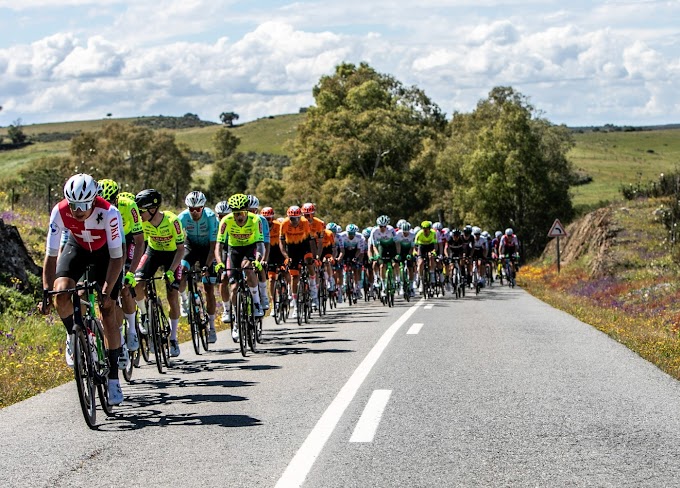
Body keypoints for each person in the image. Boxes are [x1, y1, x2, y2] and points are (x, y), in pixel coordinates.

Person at [39, 174, 126, 405]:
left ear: (94, 200)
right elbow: (51, 256)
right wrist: (46, 291)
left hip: (105, 253)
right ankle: (73, 334)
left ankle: (114, 379)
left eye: (84, 205)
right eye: (74, 205)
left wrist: (107, 291)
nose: (78, 211)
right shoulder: (59, 211)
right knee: (61, 293)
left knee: (107, 310)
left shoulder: (109, 213)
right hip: (76, 247)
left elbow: (118, 258)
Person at [97, 179, 145, 368]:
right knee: (110, 297)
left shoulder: (128, 205)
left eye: (111, 201)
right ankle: (119, 340)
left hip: (129, 240)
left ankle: (132, 329)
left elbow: (140, 241)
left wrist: (132, 272)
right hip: (109, 242)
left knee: (126, 287)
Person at [132, 189, 185, 357]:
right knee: (138, 282)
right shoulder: (142, 223)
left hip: (173, 255)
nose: (139, 215)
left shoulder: (172, 221)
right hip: (153, 252)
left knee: (172, 295)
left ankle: (173, 339)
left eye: (141, 211)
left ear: (153, 209)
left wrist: (170, 271)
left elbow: (181, 249)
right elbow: (140, 246)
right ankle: (144, 314)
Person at [214, 193, 265, 342]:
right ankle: (236, 321)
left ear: (247, 211)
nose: (239, 217)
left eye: (242, 213)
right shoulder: (226, 220)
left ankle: (256, 302)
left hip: (250, 249)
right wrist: (219, 263)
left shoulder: (256, 220)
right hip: (234, 250)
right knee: (234, 287)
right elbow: (219, 246)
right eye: (236, 214)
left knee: (248, 266)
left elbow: (261, 245)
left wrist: (258, 260)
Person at [177, 191, 219, 343]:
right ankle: (184, 300)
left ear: (203, 207)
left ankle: (213, 326)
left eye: (198, 209)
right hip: (191, 246)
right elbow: (176, 242)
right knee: (181, 270)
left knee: (208, 288)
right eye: (191, 209)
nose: (194, 212)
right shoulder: (181, 217)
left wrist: (207, 266)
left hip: (207, 249)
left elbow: (214, 245)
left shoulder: (210, 217)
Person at [279, 205, 316, 319]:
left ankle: (313, 286)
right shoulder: (284, 224)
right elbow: (281, 243)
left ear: (300, 217)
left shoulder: (305, 222)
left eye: (296, 218)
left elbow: (311, 241)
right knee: (294, 277)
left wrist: (314, 256)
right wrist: (286, 256)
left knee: (309, 262)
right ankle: (295, 306)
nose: (293, 221)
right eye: (291, 218)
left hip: (304, 246)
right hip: (292, 249)